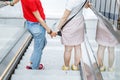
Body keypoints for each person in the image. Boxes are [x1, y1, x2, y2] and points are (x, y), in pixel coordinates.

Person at [5, 0, 56, 70]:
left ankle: (33, 61)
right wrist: (50, 31)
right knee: (38, 47)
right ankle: (35, 67)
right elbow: (39, 18)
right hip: (37, 25)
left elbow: (16, 0)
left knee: (43, 43)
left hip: (30, 23)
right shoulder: (31, 1)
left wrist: (11, 3)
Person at [54, 0, 90, 70]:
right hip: (79, 22)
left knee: (68, 49)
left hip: (70, 25)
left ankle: (66, 66)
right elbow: (86, 6)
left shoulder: (71, 2)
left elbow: (64, 17)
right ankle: (75, 66)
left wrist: (57, 29)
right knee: (78, 47)